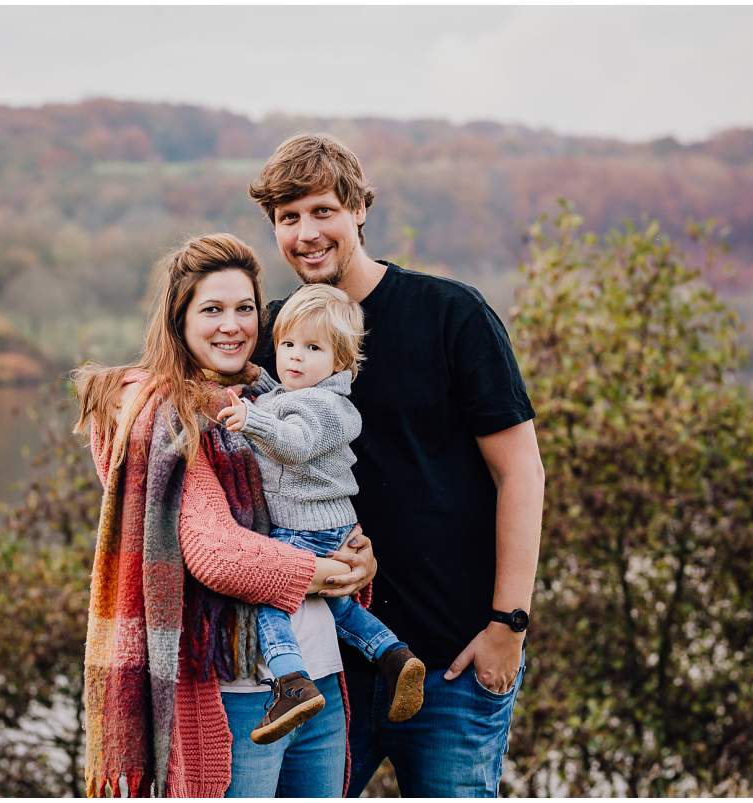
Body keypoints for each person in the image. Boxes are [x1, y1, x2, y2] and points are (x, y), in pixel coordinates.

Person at [248, 134, 546, 797]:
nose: (305, 232)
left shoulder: (449, 313)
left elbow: (520, 472)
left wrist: (509, 625)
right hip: (324, 668)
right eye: (287, 218)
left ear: (358, 209)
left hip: (453, 660)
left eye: (321, 210)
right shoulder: (275, 339)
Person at [73, 233, 377, 798]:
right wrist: (330, 573)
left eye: (244, 309)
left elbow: (321, 497)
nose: (232, 325)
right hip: (236, 694)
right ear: (178, 320)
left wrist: (360, 554)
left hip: (320, 678)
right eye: (211, 310)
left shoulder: (272, 399)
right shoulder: (161, 417)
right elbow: (218, 552)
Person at [217, 283, 426, 746]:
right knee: (338, 604)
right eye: (288, 344)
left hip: (308, 527)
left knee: (268, 597)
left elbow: (294, 443)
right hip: (324, 525)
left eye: (312, 348)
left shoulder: (333, 409)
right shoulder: (302, 393)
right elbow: (281, 398)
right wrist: (255, 380)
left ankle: (291, 681)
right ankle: (393, 655)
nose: (294, 357)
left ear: (341, 364)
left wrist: (250, 420)